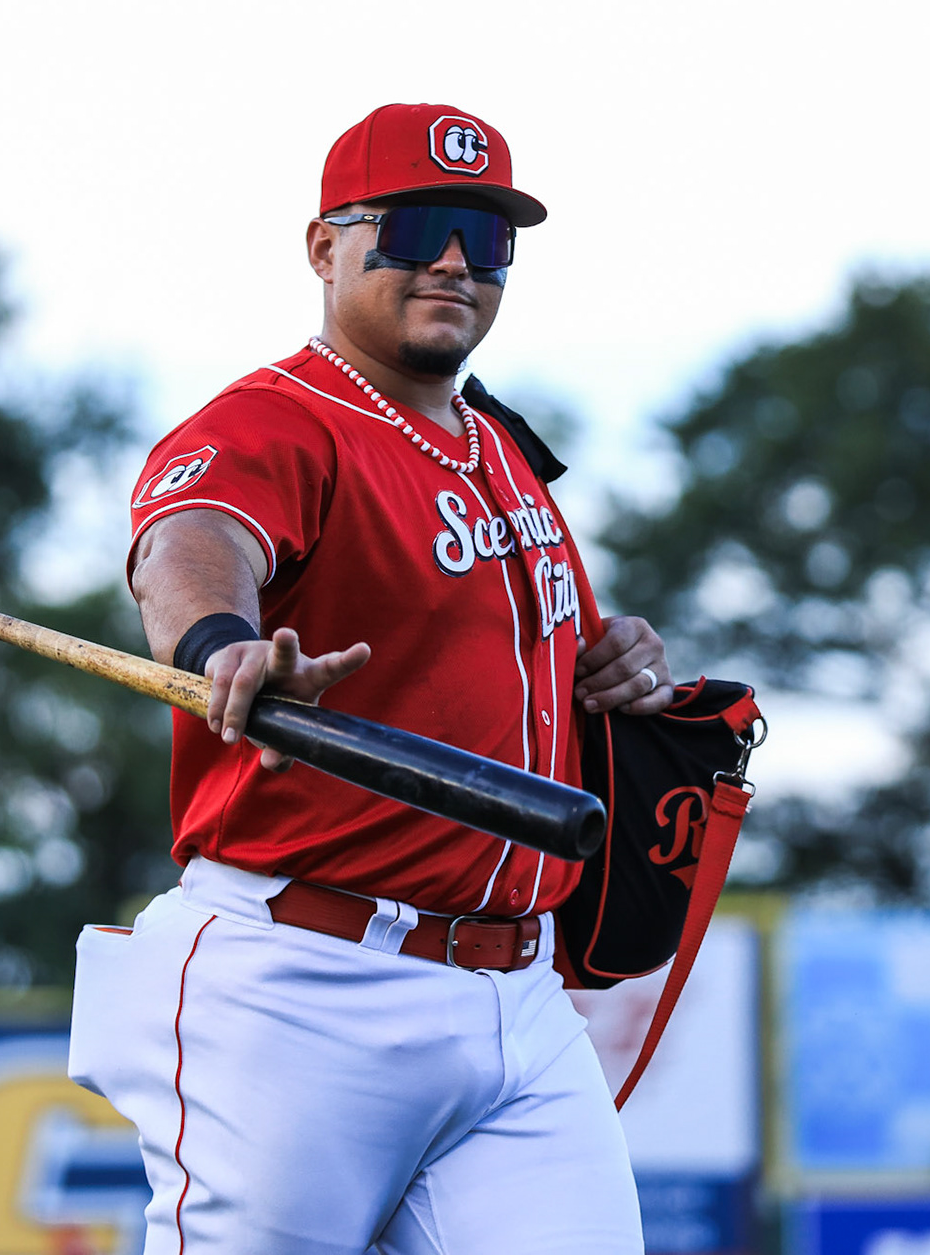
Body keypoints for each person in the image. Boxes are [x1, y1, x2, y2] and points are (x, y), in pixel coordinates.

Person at [66, 103, 676, 1254]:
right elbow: (189, 541)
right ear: (324, 247)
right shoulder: (279, 417)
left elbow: (542, 655)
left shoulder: (500, 449)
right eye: (412, 227)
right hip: (307, 979)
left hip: (519, 990)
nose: (452, 260)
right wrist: (219, 644)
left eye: (484, 237)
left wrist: (614, 657)